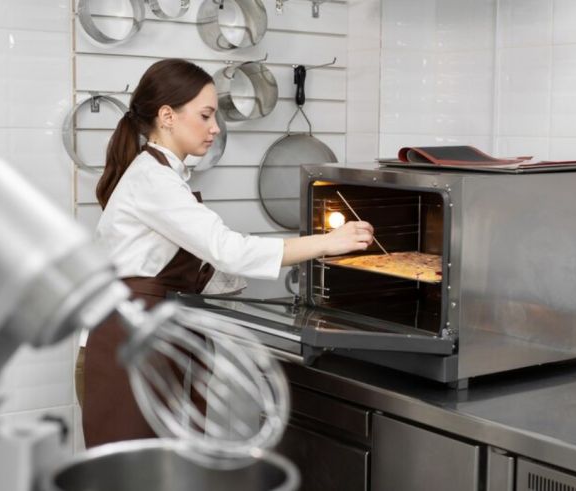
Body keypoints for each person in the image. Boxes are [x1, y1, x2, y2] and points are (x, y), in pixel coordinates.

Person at [82, 58, 374, 447]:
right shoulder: (154, 181)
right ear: (167, 116)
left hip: (149, 338)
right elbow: (227, 250)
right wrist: (327, 242)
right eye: (205, 116)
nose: (215, 128)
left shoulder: (164, 176)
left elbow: (193, 263)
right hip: (128, 348)